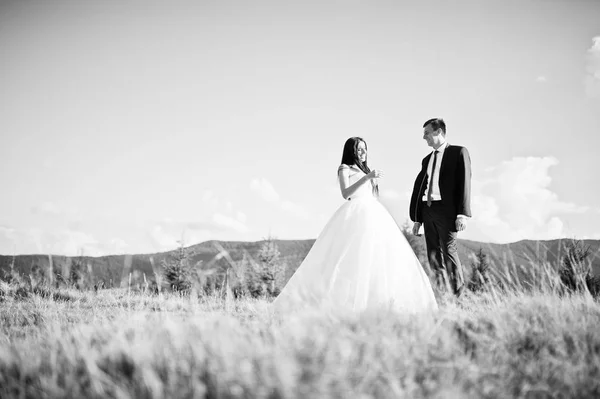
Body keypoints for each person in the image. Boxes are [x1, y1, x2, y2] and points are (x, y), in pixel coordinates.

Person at [273, 137, 438, 313]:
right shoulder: (345, 168)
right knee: (349, 257)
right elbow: (346, 193)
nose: (363, 152)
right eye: (359, 149)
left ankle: (380, 304)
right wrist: (367, 177)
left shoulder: (365, 169)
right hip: (354, 212)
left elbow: (371, 194)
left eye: (365, 149)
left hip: (374, 212)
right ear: (351, 151)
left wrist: (369, 177)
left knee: (379, 257)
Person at [409, 118, 472, 297]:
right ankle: (440, 295)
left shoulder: (458, 152)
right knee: (433, 255)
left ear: (438, 132)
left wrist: (462, 214)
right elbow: (422, 187)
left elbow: (465, 182)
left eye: (426, 133)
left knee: (449, 251)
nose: (424, 137)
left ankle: (457, 297)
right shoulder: (426, 159)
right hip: (428, 210)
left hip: (448, 212)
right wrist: (417, 219)